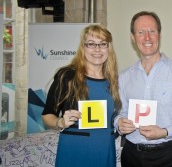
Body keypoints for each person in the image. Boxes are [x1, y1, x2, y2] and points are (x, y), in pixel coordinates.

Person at [114, 11, 172, 167]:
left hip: (167, 155)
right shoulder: (124, 77)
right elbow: (120, 112)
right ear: (133, 37)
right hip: (131, 154)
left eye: (152, 31)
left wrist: (165, 132)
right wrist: (119, 123)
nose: (147, 37)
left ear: (159, 34)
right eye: (141, 32)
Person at [42, 24, 121, 167]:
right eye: (91, 44)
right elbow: (47, 115)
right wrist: (60, 122)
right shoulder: (67, 77)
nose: (97, 49)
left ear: (109, 48)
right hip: (75, 150)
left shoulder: (115, 81)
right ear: (83, 47)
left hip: (105, 150)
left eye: (103, 44)